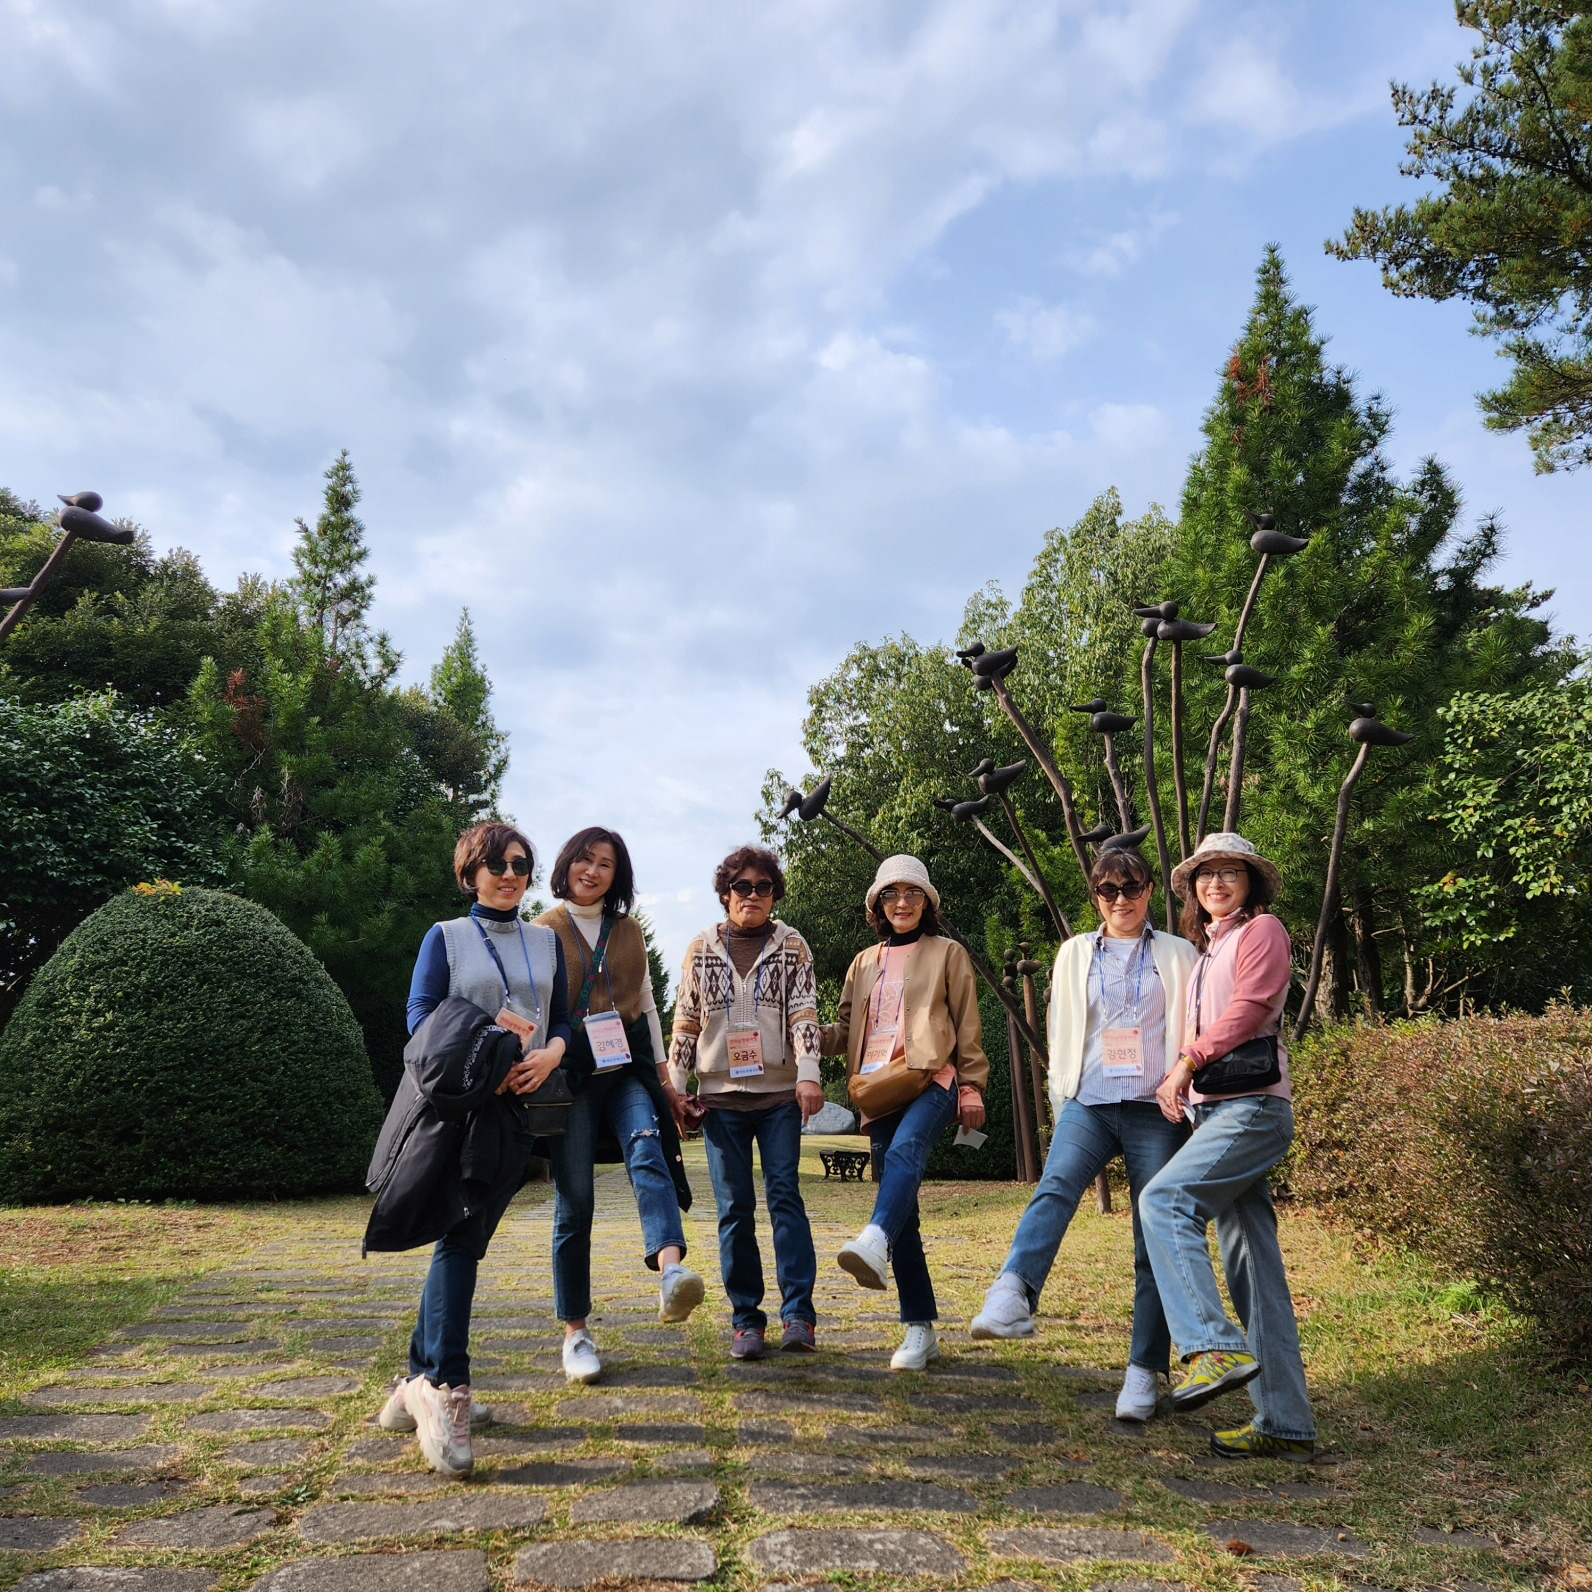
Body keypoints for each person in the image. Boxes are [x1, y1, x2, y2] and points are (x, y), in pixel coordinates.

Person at [969, 844, 1198, 1421]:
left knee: (1152, 1237)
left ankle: (1145, 1369)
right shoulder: (1073, 952)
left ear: (1149, 890)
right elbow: (1062, 1027)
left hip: (1155, 1107)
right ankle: (1012, 1292)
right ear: (1096, 897)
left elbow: (1195, 1025)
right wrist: (1060, 1093)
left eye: (1132, 886)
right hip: (1089, 1100)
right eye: (1108, 890)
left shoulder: (1179, 953)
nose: (1121, 899)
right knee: (1055, 1188)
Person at [379, 821, 572, 1477]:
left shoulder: (545, 942)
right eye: (495, 864)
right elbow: (420, 1017)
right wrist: (486, 1053)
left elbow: (560, 1017)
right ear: (470, 874)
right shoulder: (447, 937)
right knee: (459, 1238)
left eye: (519, 863)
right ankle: (446, 1387)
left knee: (464, 1240)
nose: (509, 874)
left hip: (518, 1109)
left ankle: (412, 1381)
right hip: (462, 1112)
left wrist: (550, 1053)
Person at [1138, 831, 1317, 1461]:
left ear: (1250, 882)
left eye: (1229, 873)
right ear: (1194, 888)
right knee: (1253, 1267)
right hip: (1216, 1112)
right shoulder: (1206, 951)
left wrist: (1186, 1062)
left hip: (1254, 1109)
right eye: (1205, 874)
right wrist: (1181, 1085)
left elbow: (1251, 1009)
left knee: (1164, 1201)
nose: (1216, 883)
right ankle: (1286, 1423)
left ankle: (1211, 1346)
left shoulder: (1262, 931)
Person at [535, 827, 702, 1385]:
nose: (592, 871)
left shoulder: (628, 931)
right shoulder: (542, 930)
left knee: (649, 1150)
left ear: (617, 875)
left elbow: (648, 1007)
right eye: (584, 859)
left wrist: (667, 1082)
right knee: (574, 1202)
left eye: (605, 864)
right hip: (574, 1076)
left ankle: (671, 1273)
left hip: (627, 1069)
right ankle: (575, 1332)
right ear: (567, 864)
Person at [822, 855, 987, 1371]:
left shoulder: (948, 953)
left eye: (912, 893)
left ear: (926, 902)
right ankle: (920, 1329)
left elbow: (967, 1025)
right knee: (904, 1214)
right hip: (877, 1090)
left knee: (907, 1149)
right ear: (877, 904)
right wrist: (799, 1032)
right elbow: (842, 1030)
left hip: (932, 1077)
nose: (902, 903)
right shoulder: (862, 963)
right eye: (891, 894)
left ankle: (872, 1239)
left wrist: (971, 1088)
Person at [666, 845, 823, 1359]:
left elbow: (804, 1013)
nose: (752, 895)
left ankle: (798, 1315)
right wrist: (676, 1086)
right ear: (725, 894)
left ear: (774, 895)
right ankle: (746, 1321)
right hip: (719, 1100)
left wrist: (808, 1074)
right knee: (733, 1209)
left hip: (779, 1096)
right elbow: (685, 1021)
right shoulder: (700, 947)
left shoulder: (792, 944)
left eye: (763, 887)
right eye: (742, 887)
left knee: (785, 1198)